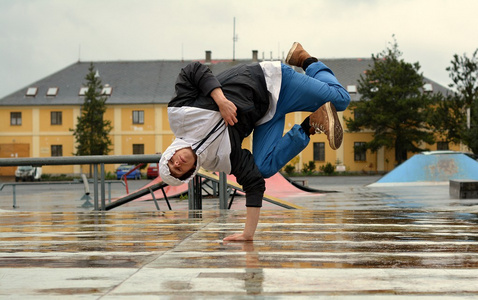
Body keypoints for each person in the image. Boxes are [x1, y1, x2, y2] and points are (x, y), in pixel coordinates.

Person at [159, 42, 351, 241]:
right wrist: (247, 234)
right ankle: (311, 123)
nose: (177, 163)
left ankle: (306, 60)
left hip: (271, 81)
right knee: (263, 168)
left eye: (171, 161)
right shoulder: (221, 159)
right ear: (191, 171)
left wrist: (221, 101)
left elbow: (193, 70)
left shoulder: (181, 115)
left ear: (170, 153)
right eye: (179, 169)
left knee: (341, 100)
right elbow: (254, 183)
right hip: (266, 115)